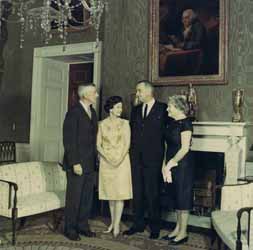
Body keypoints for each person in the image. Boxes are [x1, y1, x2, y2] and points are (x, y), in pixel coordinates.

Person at [123, 80, 167, 239]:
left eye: (139, 90)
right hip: (136, 158)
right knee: (138, 193)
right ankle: (138, 224)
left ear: (149, 91)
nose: (137, 94)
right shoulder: (135, 110)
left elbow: (167, 135)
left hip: (154, 160)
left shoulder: (163, 109)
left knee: (152, 193)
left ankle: (155, 227)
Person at [62, 83, 99, 241]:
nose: (96, 95)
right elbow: (69, 140)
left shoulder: (93, 112)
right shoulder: (74, 112)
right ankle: (70, 228)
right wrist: (75, 163)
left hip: (90, 163)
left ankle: (82, 226)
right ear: (85, 95)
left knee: (86, 198)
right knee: (74, 198)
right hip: (77, 163)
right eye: (94, 92)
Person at [97, 96, 133, 238]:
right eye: (118, 107)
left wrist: (118, 160)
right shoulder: (101, 124)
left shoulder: (125, 124)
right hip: (106, 162)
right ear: (110, 109)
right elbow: (98, 144)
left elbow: (127, 144)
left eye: (121, 107)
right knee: (110, 194)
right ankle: (112, 222)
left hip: (122, 162)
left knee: (120, 194)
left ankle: (117, 224)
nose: (120, 110)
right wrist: (107, 157)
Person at [162, 95, 194, 245]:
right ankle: (177, 228)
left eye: (170, 106)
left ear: (179, 107)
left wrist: (172, 163)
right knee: (176, 197)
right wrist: (164, 164)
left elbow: (185, 148)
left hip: (182, 165)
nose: (167, 109)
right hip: (170, 164)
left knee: (183, 198)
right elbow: (167, 146)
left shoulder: (186, 123)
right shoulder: (171, 123)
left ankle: (183, 232)